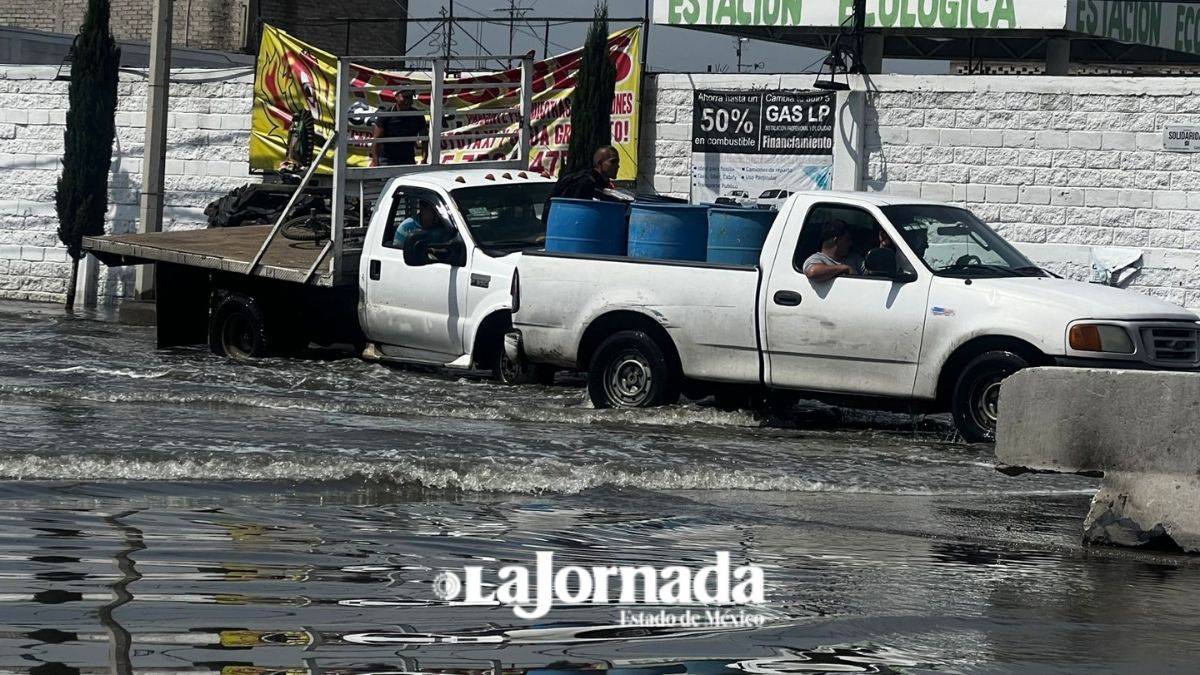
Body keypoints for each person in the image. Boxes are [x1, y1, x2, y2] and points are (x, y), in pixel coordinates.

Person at [542, 146, 622, 223]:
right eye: (613, 161)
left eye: (618, 162)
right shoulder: (585, 182)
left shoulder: (600, 183)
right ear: (599, 163)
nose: (617, 166)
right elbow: (578, 213)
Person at [372, 90, 428, 167]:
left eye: (410, 97)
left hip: (408, 160)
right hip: (387, 160)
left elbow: (424, 138)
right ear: (396, 97)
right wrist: (375, 161)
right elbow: (376, 140)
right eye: (405, 97)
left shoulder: (417, 115)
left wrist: (424, 159)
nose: (408, 100)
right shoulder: (385, 115)